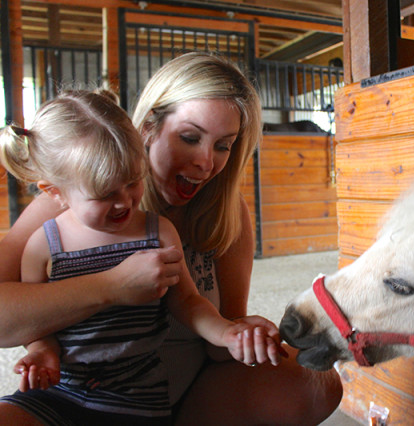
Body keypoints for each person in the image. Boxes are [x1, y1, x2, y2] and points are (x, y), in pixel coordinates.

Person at [0, 52, 342, 425]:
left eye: (223, 145)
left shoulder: (224, 214)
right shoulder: (75, 201)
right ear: (148, 126)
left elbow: (217, 341)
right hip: (70, 393)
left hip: (166, 396)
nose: (206, 162)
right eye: (190, 137)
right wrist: (110, 287)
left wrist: (244, 334)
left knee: (314, 381)